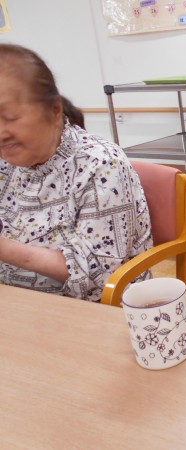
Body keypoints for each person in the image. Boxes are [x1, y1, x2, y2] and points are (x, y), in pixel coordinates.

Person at [0, 44, 152, 301]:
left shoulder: (101, 164)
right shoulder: (7, 163)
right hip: (16, 302)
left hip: (91, 308)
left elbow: (98, 274)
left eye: (10, 117)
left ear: (54, 110)